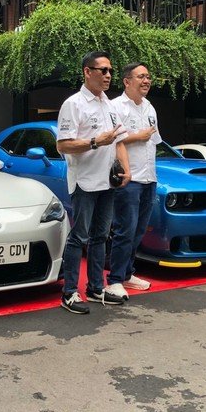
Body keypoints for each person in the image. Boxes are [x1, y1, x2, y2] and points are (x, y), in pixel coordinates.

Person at [56, 51, 131, 314]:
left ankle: (96, 288)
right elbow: (63, 145)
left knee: (100, 237)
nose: (108, 75)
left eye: (110, 71)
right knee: (79, 237)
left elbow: (119, 141)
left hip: (107, 182)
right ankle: (69, 292)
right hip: (85, 182)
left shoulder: (109, 104)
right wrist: (95, 141)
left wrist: (126, 170)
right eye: (103, 70)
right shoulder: (73, 104)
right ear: (87, 72)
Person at [104, 63, 161, 302]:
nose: (146, 80)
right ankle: (115, 280)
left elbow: (153, 142)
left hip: (149, 178)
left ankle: (127, 274)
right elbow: (111, 141)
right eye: (141, 77)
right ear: (127, 81)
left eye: (148, 76)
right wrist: (137, 136)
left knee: (138, 231)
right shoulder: (115, 106)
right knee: (125, 230)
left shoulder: (150, 107)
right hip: (129, 178)